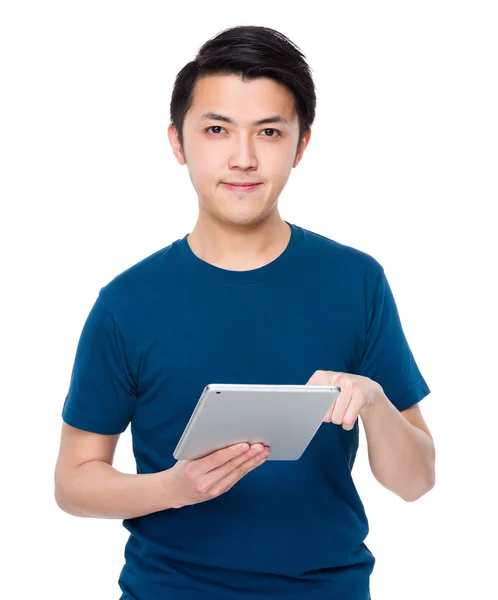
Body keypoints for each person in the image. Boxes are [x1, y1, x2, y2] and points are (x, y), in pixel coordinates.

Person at [54, 24, 436, 600]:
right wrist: (174, 487)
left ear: (301, 145)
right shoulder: (127, 302)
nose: (243, 157)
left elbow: (416, 482)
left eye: (269, 131)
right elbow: (73, 482)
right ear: (178, 143)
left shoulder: (357, 282)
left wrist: (377, 405)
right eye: (216, 129)